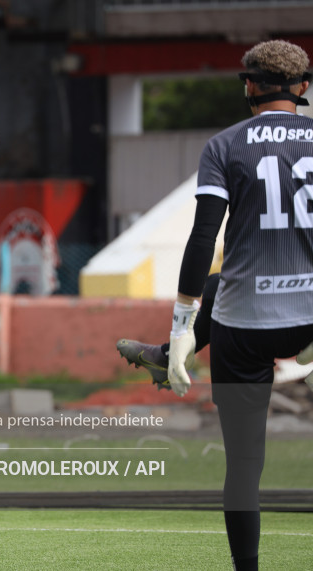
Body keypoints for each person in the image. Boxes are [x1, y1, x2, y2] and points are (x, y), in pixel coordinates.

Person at [125, 40, 313, 571]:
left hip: (244, 324)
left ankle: (247, 570)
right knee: (217, 284)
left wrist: (182, 328)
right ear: (302, 87)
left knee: (245, 465)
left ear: (249, 86)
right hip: (309, 315)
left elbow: (203, 235)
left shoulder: (226, 144)